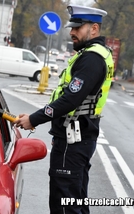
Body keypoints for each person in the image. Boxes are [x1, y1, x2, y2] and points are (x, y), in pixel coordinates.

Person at [15, 4, 114, 214]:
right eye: (71, 27)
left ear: (94, 29)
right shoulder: (93, 54)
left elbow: (70, 100)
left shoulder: (92, 59)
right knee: (75, 202)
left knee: (64, 205)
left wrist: (34, 119)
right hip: (76, 138)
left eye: (78, 27)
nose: (72, 32)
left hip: (73, 142)